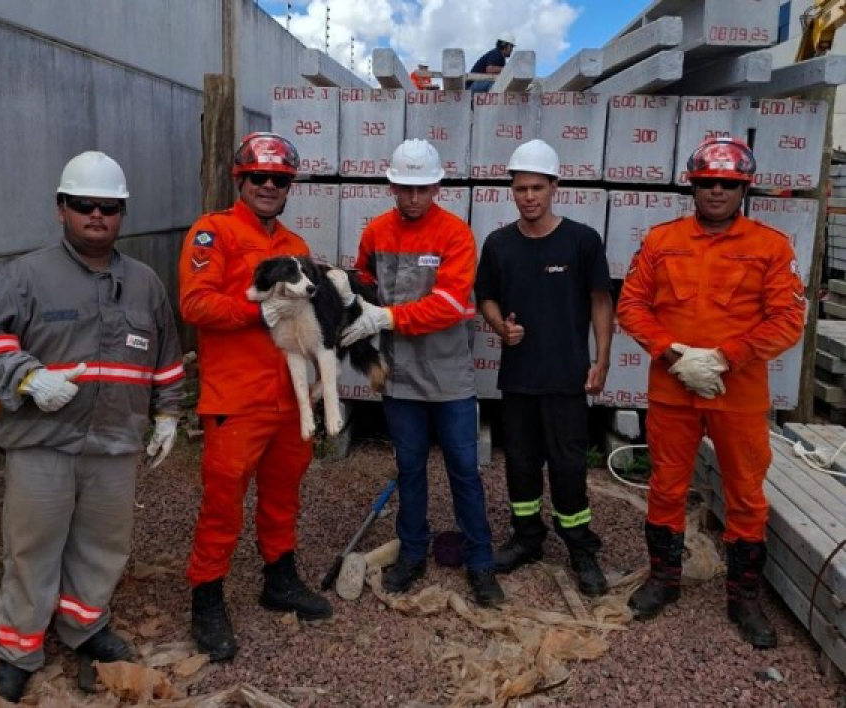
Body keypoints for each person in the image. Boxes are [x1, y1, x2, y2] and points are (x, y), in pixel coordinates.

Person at [0, 151, 185, 703]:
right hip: (43, 442)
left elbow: (166, 358)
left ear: (122, 213)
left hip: (114, 443)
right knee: (31, 548)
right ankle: (18, 649)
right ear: (61, 208)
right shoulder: (27, 276)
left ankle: (85, 627)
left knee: (103, 545)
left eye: (108, 207)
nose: (96, 215)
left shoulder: (144, 284)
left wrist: (167, 414)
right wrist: (27, 376)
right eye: (84, 204)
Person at [616, 137, 805, 649]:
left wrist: (723, 358)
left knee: (745, 492)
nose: (716, 190)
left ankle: (744, 598)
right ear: (693, 187)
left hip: (737, 393)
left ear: (744, 189)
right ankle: (664, 579)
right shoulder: (661, 241)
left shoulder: (771, 246)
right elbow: (631, 305)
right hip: (672, 389)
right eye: (707, 182)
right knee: (666, 486)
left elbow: (788, 319)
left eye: (727, 183)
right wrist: (674, 355)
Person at [178, 132, 333, 663]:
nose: (269, 186)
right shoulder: (213, 232)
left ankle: (279, 578)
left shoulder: (295, 245)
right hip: (236, 397)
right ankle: (207, 597)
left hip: (289, 396)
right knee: (223, 501)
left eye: (280, 179)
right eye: (259, 177)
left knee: (284, 492)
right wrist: (258, 311)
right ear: (240, 179)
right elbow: (195, 305)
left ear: (289, 186)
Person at [339, 138, 505, 607]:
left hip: (450, 377)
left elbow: (450, 305)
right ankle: (412, 553)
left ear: (437, 187)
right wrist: (347, 295)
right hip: (400, 378)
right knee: (409, 470)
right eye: (405, 188)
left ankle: (480, 562)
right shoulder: (376, 232)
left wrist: (386, 317)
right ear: (392, 186)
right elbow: (364, 282)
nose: (413, 198)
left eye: (422, 189)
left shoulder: (455, 234)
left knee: (464, 472)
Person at [474, 139, 614, 597]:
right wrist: (499, 326)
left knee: (569, 466)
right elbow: (486, 297)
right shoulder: (499, 244)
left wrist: (602, 360)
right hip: (519, 379)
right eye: (521, 188)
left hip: (567, 378)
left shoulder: (582, 241)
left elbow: (600, 301)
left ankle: (579, 546)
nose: (529, 196)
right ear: (512, 191)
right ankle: (527, 537)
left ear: (555, 187)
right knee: (520, 463)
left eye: (537, 187)